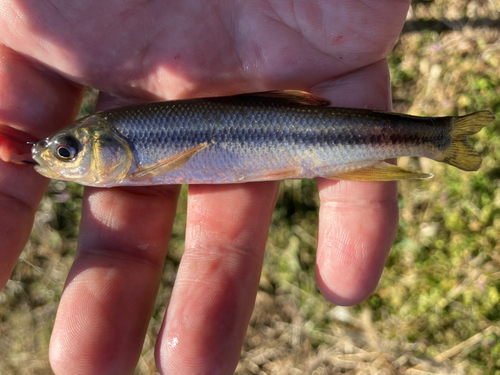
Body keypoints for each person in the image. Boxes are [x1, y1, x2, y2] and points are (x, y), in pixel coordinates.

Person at [0, 1, 410, 373]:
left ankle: (434, 138)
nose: (57, 159)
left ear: (106, 146)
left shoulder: (129, 142)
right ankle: (435, 139)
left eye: (67, 151)